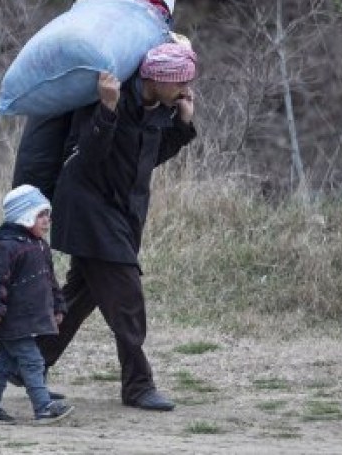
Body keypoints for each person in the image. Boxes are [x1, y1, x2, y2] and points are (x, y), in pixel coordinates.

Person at [32, 42, 198, 412]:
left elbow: (148, 158)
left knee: (78, 298)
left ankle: (27, 365)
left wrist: (182, 127)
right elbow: (87, 155)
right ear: (154, 79)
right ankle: (138, 385)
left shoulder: (159, 107)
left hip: (122, 213)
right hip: (89, 210)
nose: (186, 91)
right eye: (181, 84)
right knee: (126, 297)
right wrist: (106, 109)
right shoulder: (111, 99)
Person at [0, 185, 74, 425]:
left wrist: (58, 306)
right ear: (24, 215)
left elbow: (50, 280)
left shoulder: (39, 246)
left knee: (3, 365)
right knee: (33, 361)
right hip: (12, 318)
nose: (47, 221)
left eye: (48, 215)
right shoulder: (5, 246)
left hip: (31, 317)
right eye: (41, 215)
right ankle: (43, 407)